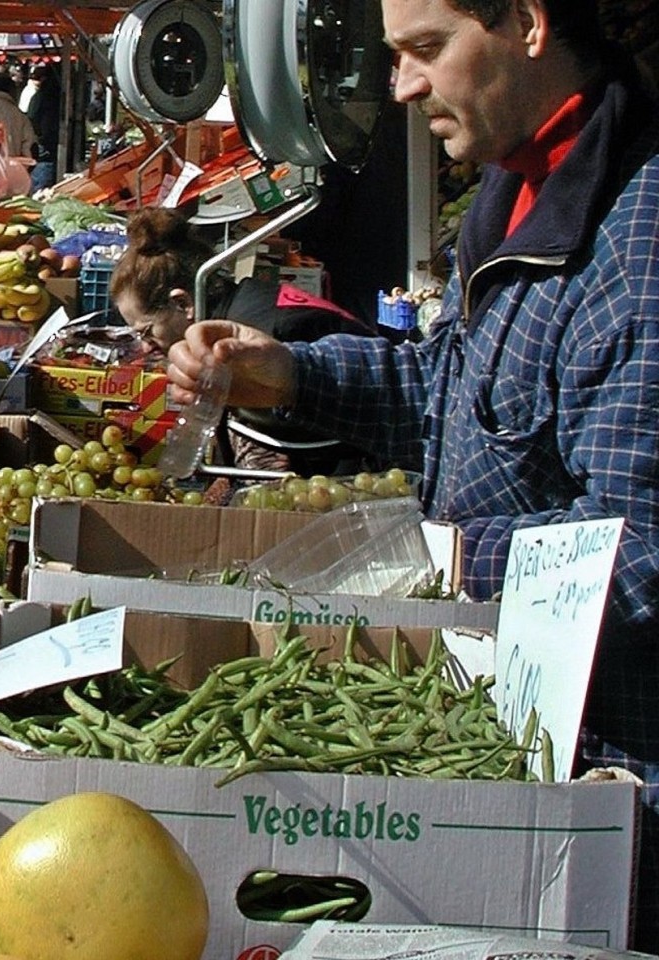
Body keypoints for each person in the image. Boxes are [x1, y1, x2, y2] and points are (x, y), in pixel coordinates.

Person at [165, 0, 659, 946]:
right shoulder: (518, 193)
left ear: (527, 22)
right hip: (518, 743)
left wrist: (451, 562)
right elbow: (452, 392)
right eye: (395, 56)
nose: (401, 87)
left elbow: (639, 554)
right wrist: (294, 376)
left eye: (427, 51)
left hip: (615, 803)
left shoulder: (635, 249)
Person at [111, 207, 373, 475]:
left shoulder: (252, 340)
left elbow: (321, 441)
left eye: (147, 331)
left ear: (182, 303)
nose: (145, 346)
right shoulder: (244, 304)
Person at [25, 61, 61, 190]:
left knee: (41, 183)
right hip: (48, 143)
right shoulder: (58, 96)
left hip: (43, 143)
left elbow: (31, 117)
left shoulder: (40, 96)